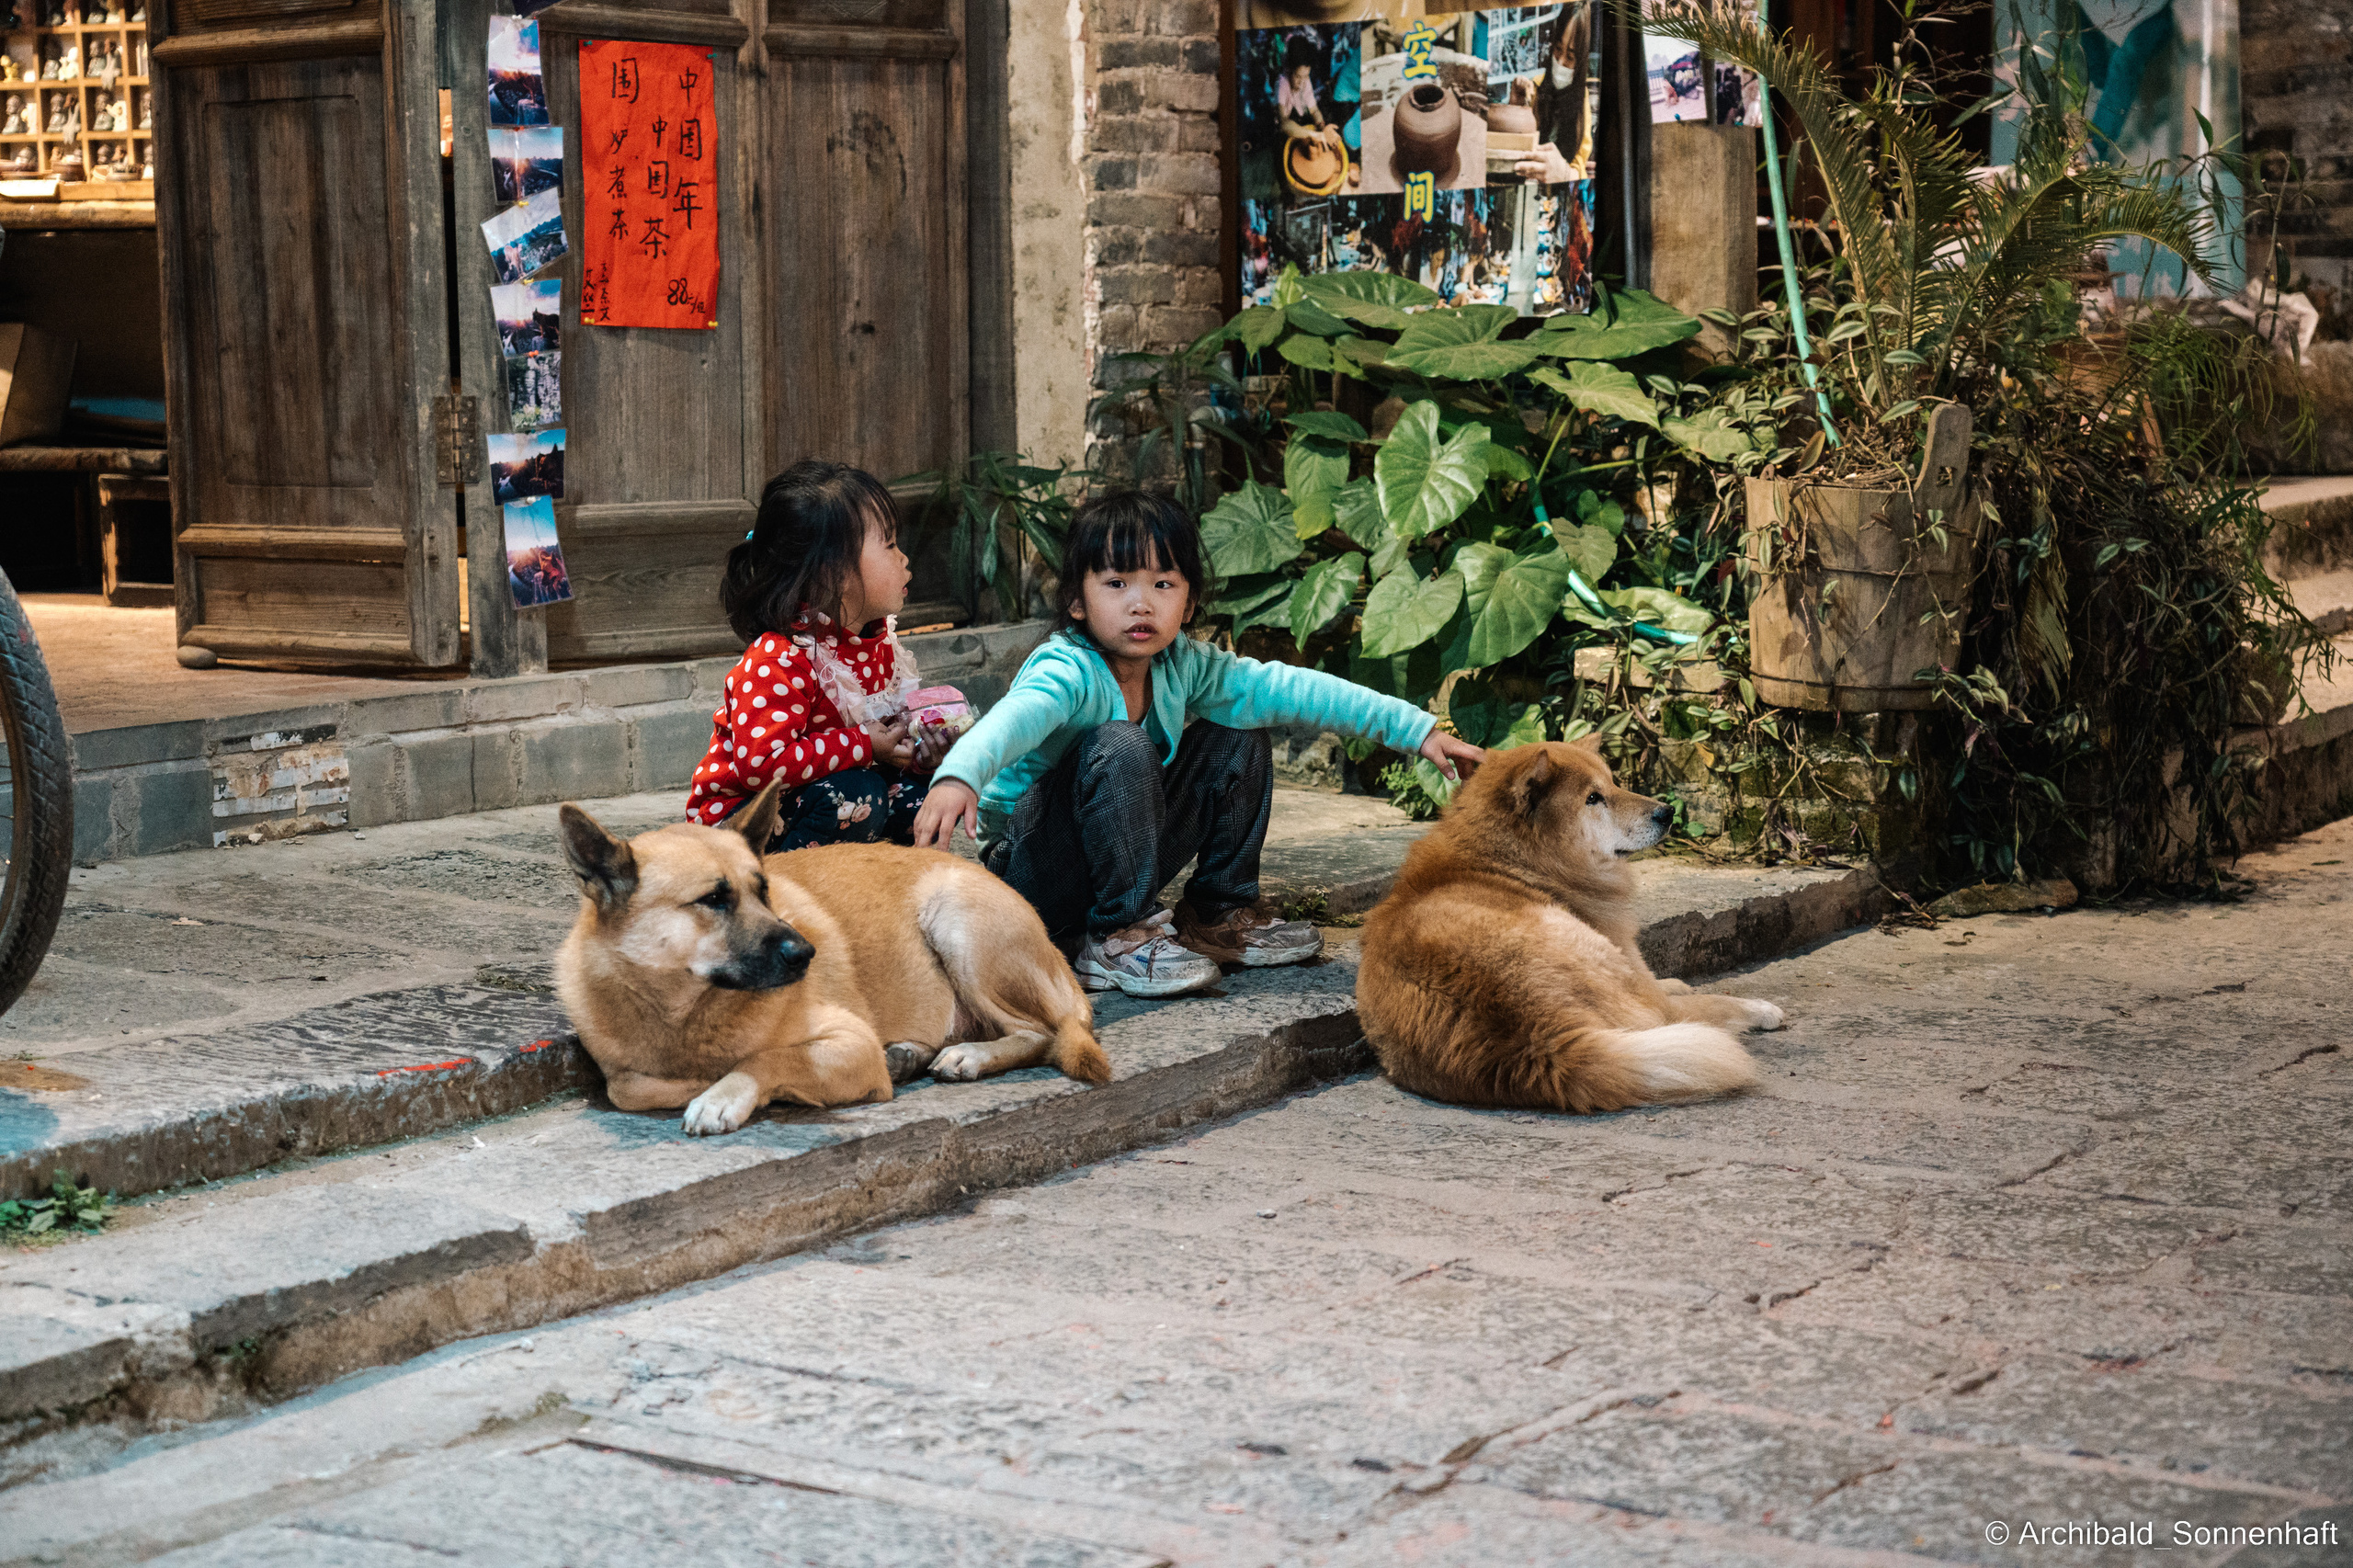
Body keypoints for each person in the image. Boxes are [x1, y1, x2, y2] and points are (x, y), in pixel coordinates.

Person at [912, 491, 1483, 1000]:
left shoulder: (1184, 663)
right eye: (1117, 584)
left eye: (1163, 585)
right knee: (1119, 744)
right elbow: (1012, 720)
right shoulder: (1067, 668)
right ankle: (1119, 936)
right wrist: (959, 776)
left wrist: (1417, 730)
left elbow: (1291, 689)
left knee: (1237, 732)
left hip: (1112, 862)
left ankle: (1218, 912)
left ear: (1187, 605)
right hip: (1030, 878)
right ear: (1077, 602)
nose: (1142, 604)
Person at [687, 460, 947, 849]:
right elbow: (761, 767)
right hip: (743, 824)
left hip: (818, 798)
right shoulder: (780, 657)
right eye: (890, 545)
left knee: (926, 800)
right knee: (858, 795)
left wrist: (920, 757)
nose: (903, 558)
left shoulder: (876, 645)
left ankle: (864, 885)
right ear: (833, 572)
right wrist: (863, 744)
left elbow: (882, 753)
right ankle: (787, 891)